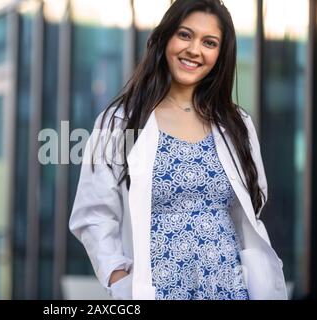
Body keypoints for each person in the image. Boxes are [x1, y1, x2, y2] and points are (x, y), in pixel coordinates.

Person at [69, 0, 287, 300]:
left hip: (228, 288)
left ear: (220, 55)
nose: (195, 50)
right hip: (156, 289)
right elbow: (93, 214)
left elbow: (251, 203)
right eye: (185, 35)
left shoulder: (237, 124)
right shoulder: (121, 121)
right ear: (165, 38)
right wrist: (117, 275)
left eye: (209, 42)